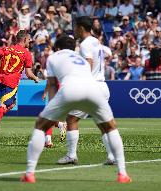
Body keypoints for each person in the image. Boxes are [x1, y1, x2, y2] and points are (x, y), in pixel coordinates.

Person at [20, 34, 131, 183]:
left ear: (58, 48)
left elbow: (52, 85)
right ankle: (123, 174)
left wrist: (52, 112)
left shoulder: (53, 57)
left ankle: (29, 173)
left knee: (40, 126)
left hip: (70, 89)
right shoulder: (81, 59)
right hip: (94, 89)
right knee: (110, 127)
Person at [57, 16, 116, 166]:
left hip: (91, 86)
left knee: (71, 119)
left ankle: (71, 155)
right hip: (102, 86)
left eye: (75, 27)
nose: (74, 30)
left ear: (81, 28)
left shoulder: (85, 45)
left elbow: (88, 64)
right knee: (103, 123)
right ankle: (111, 156)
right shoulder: (97, 41)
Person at [0, 30, 39, 141]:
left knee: (12, 103)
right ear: (24, 39)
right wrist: (36, 78)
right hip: (11, 82)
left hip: (0, 80)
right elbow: (28, 73)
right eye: (28, 39)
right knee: (5, 105)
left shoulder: (6, 48)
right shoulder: (26, 53)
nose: (29, 41)